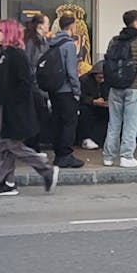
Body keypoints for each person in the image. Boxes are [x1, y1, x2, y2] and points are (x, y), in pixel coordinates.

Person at [0, 20, 57, 196]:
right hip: (6, 108)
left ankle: (45, 168)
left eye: (1, 31)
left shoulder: (16, 55)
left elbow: (23, 85)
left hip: (14, 109)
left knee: (10, 144)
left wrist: (10, 105)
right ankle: (4, 182)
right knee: (4, 146)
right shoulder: (5, 54)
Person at [102, 9, 137, 168]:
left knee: (114, 122)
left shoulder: (114, 41)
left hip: (115, 87)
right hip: (134, 87)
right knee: (131, 123)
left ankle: (108, 157)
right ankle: (126, 156)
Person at [45, 14, 84, 169]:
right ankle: (66, 155)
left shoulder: (52, 43)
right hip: (66, 89)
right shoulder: (69, 44)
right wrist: (77, 91)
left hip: (54, 89)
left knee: (57, 121)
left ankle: (58, 154)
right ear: (72, 26)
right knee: (69, 123)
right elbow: (72, 71)